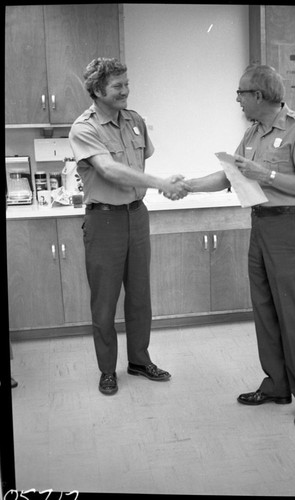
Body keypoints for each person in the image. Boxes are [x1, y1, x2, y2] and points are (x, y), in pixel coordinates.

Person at [182, 64, 295, 428]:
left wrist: (267, 175)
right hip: (260, 228)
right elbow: (230, 175)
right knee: (264, 313)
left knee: (293, 317)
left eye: (241, 92)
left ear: (258, 95)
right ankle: (277, 385)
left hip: (292, 229)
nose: (238, 98)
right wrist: (189, 186)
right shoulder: (252, 133)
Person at [69, 57, 190, 395]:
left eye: (127, 84)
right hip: (104, 219)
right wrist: (161, 183)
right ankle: (108, 370)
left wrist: (159, 183)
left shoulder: (135, 120)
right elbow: (109, 170)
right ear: (97, 90)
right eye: (118, 86)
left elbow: (143, 155)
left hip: (136, 215)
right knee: (104, 301)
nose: (126, 91)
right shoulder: (85, 127)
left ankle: (139, 360)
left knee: (140, 296)